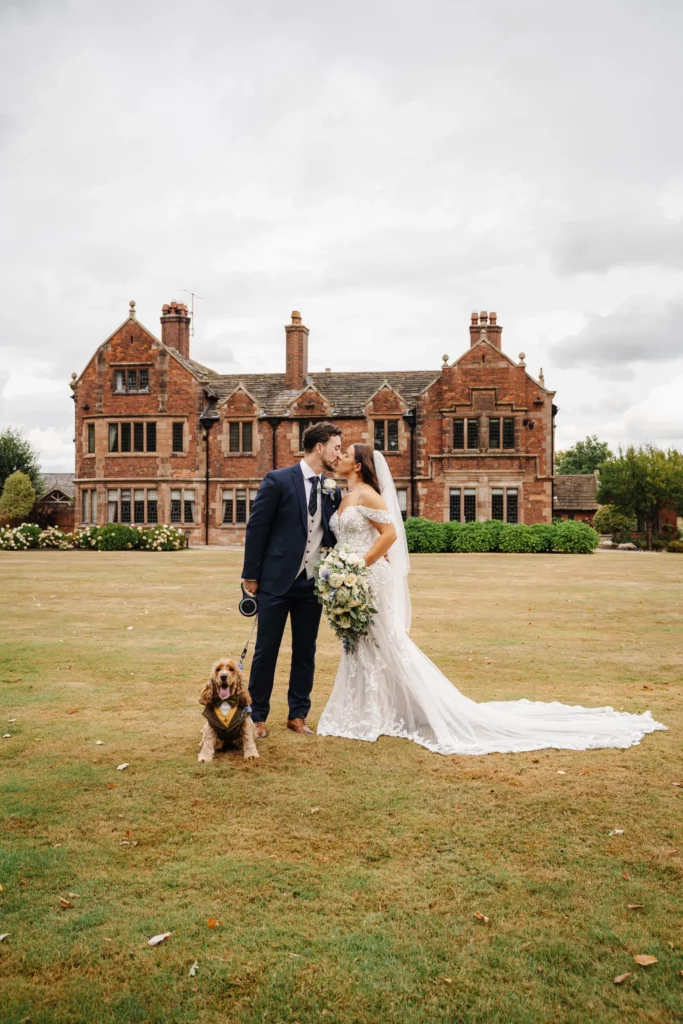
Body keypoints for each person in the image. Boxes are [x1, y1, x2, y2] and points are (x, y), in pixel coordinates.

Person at [317, 444, 667, 755]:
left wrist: (359, 566)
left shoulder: (367, 495)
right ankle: (367, 710)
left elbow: (391, 533)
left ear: (359, 465)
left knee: (384, 642)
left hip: (367, 577)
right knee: (359, 642)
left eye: (346, 454)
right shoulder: (344, 495)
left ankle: (411, 707)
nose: (340, 456)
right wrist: (338, 568)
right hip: (350, 578)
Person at [242, 422, 342, 737]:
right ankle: (257, 716)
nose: (339, 453)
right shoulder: (278, 480)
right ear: (319, 448)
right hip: (275, 580)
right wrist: (251, 574)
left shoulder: (332, 489)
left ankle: (297, 714)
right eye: (336, 447)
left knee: (305, 649)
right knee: (266, 649)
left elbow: (333, 535)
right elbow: (257, 528)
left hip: (312, 583)